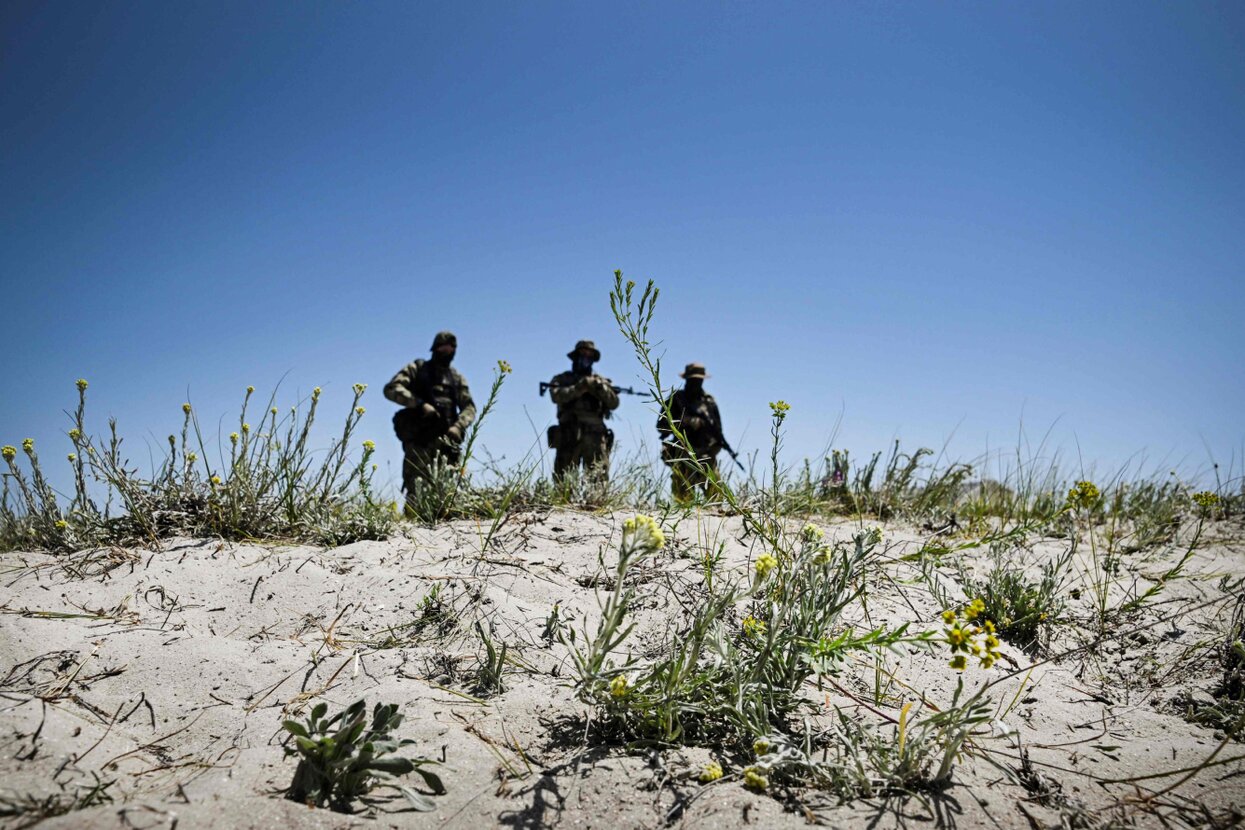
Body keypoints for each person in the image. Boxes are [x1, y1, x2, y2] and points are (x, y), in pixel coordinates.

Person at [384, 331, 476, 514]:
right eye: (443, 347)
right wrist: (419, 404)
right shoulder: (417, 369)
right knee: (416, 494)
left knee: (449, 495)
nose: (447, 351)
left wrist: (458, 427)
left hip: (447, 444)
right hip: (421, 441)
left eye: (451, 348)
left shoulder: (456, 378)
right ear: (435, 348)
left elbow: (469, 407)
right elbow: (392, 388)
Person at [547, 340, 620, 483]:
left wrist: (599, 388)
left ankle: (596, 505)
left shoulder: (600, 382)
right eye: (582, 354)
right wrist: (580, 388)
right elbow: (556, 395)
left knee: (598, 481)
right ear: (575, 357)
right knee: (564, 481)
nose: (586, 358)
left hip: (595, 435)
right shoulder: (562, 379)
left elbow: (614, 403)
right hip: (568, 433)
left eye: (589, 356)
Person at [657, 363, 725, 504]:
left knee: (717, 502)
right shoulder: (676, 399)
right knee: (683, 504)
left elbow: (718, 430)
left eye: (699, 380)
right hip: (682, 456)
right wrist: (685, 422)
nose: (696, 383)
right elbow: (661, 427)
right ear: (686, 379)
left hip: (707, 457)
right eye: (693, 380)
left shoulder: (709, 402)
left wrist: (715, 446)